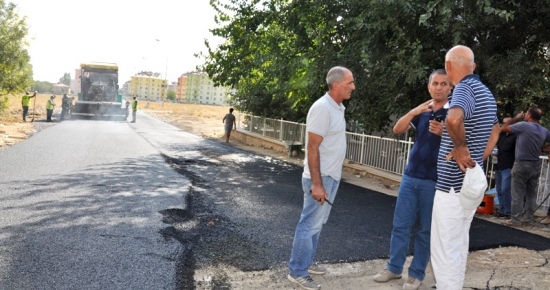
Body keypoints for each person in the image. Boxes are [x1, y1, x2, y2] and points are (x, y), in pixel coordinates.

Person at [373, 69, 451, 290]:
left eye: (443, 84)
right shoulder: (422, 112)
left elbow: (463, 143)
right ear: (429, 87)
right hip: (410, 176)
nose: (438, 87)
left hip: (434, 181)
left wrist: (444, 132)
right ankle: (394, 269)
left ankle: (416, 275)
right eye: (435, 83)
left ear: (450, 88)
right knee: (400, 226)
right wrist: (413, 111)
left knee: (426, 231)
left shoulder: (453, 114)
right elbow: (397, 129)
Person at [430, 45, 500, 290]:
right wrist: (478, 157)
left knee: (445, 251)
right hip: (469, 185)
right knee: (457, 247)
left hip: (452, 186)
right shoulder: (486, 92)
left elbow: (454, 118)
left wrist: (461, 148)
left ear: (449, 67)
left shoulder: (464, 89)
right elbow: (496, 130)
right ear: (473, 66)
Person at [287, 66, 355, 290]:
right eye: (349, 83)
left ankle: (306, 262)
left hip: (331, 177)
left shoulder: (337, 107)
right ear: (336, 84)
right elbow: (312, 147)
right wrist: (317, 184)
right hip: (320, 178)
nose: (353, 87)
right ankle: (297, 271)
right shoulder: (322, 108)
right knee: (308, 224)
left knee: (316, 224)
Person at [501, 107, 550, 227]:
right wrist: (543, 149)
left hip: (522, 163)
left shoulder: (523, 125)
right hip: (535, 164)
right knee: (531, 194)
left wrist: (515, 118)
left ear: (529, 116)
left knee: (517, 193)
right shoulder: (544, 131)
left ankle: (515, 220)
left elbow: (503, 128)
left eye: (526, 113)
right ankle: (528, 220)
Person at [493, 117, 517, 218]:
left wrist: (514, 166)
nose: (504, 125)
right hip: (499, 164)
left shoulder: (515, 136)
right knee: (499, 189)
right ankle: (502, 210)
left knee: (505, 189)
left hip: (508, 165)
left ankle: (508, 211)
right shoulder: (501, 135)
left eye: (506, 123)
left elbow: (517, 152)